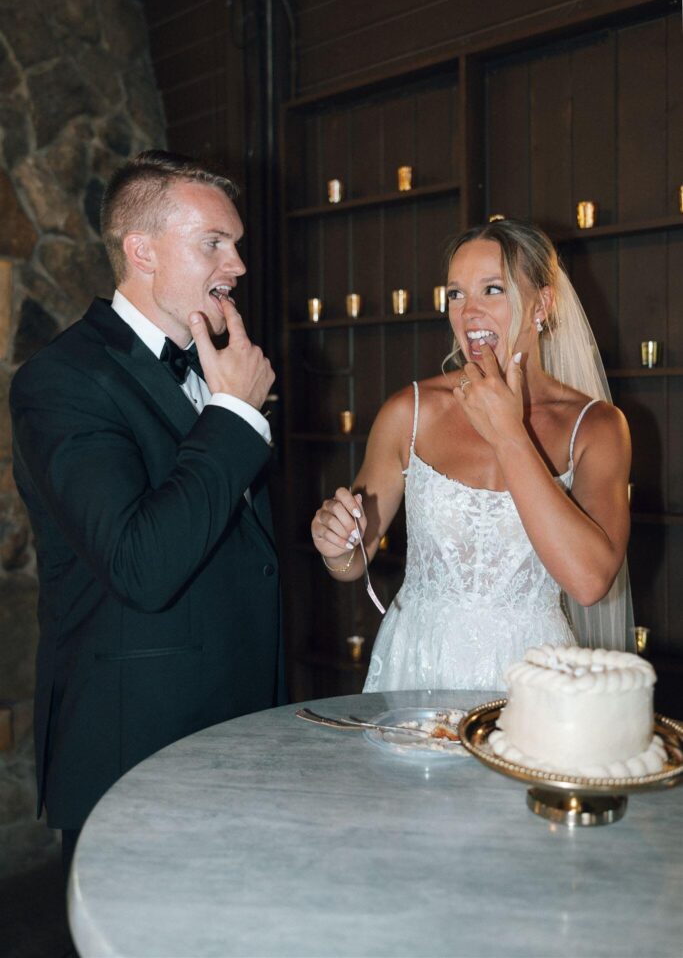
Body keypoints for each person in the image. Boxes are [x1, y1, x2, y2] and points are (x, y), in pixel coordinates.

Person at [10, 150, 285, 879]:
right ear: (142, 251)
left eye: (235, 243)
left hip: (242, 727)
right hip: (138, 743)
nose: (237, 264)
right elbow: (141, 564)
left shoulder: (218, 359)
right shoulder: (61, 379)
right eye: (213, 243)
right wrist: (231, 414)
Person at [311, 218, 634, 692]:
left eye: (493, 290)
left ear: (542, 303)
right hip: (417, 664)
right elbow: (351, 562)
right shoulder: (410, 412)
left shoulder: (597, 427)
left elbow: (589, 582)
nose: (469, 313)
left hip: (531, 678)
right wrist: (335, 545)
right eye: (456, 295)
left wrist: (509, 435)